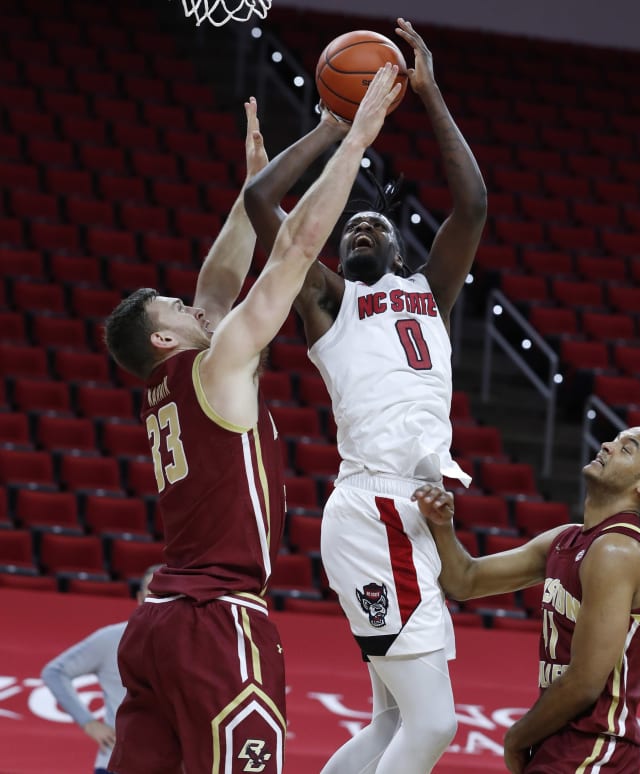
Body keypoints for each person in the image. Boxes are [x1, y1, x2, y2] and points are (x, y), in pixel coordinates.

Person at [103, 71, 403, 774]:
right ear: (164, 340)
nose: (195, 305)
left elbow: (216, 280)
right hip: (219, 622)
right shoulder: (217, 366)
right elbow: (293, 255)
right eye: (176, 309)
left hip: (156, 624)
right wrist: (355, 139)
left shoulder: (166, 386)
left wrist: (253, 190)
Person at [244, 17, 487, 774]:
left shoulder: (430, 292)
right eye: (348, 227)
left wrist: (432, 96)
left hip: (411, 516)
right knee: (435, 724)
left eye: (373, 224)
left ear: (399, 246)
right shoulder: (330, 302)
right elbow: (260, 201)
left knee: (392, 722)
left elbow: (472, 205)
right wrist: (335, 126)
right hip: (374, 510)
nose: (359, 229)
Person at [413, 425, 640, 773]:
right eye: (614, 440)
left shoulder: (618, 550)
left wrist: (516, 738)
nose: (607, 445)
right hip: (564, 744)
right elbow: (465, 581)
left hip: (595, 751)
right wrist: (442, 525)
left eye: (627, 448)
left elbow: (584, 683)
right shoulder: (567, 539)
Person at [41, 566, 162, 774]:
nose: (158, 599)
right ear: (140, 596)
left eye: (166, 593)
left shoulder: (191, 644)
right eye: (153, 591)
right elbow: (55, 672)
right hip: (116, 763)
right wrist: (88, 723)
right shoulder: (112, 638)